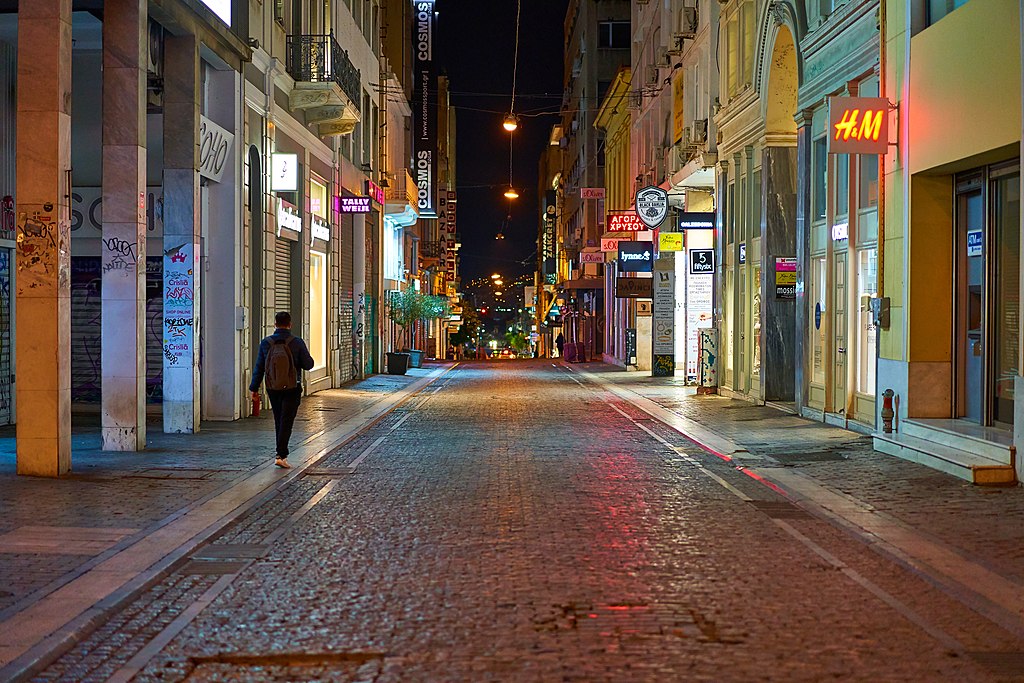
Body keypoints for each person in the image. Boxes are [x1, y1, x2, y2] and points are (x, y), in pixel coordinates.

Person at [250, 311, 315, 469]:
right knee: (287, 420)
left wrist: (254, 388)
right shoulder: (297, 342)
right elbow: (309, 364)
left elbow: (259, 367)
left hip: (273, 387)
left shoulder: (266, 343)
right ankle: (281, 454)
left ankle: (280, 452)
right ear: (290, 324)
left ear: (275, 324)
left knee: (279, 418)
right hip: (292, 387)